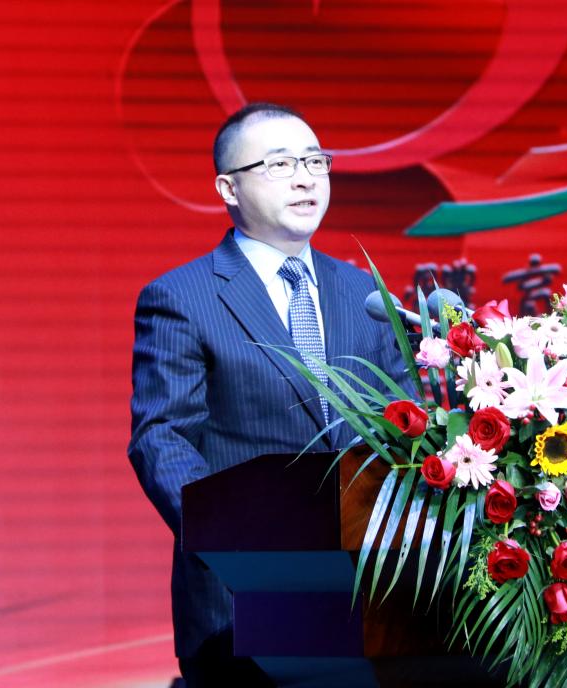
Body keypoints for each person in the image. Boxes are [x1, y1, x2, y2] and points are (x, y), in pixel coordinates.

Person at [128, 102, 410, 687]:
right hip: (244, 603)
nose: (306, 179)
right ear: (228, 188)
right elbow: (162, 439)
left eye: (315, 161)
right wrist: (239, 543)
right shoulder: (182, 297)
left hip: (372, 599)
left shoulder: (366, 294)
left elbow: (406, 429)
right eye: (280, 165)